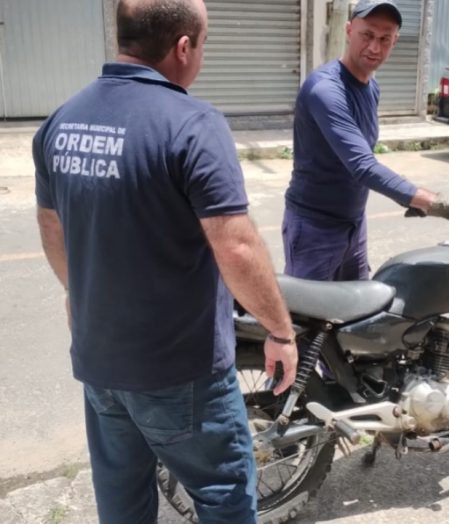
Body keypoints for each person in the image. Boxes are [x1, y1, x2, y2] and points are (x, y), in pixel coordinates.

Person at [33, 0, 297, 522]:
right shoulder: (193, 123)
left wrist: (78, 297)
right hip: (182, 371)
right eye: (203, 44)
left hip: (101, 363)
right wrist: (281, 331)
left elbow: (52, 227)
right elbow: (237, 247)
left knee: (123, 497)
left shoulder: (60, 122)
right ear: (183, 46)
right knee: (223, 492)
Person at [283, 0, 439, 281]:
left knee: (357, 318)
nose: (374, 48)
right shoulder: (325, 90)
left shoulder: (371, 87)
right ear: (349, 30)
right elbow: (363, 165)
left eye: (385, 39)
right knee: (302, 320)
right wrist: (431, 201)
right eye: (367, 35)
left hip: (353, 225)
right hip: (314, 229)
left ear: (395, 41)